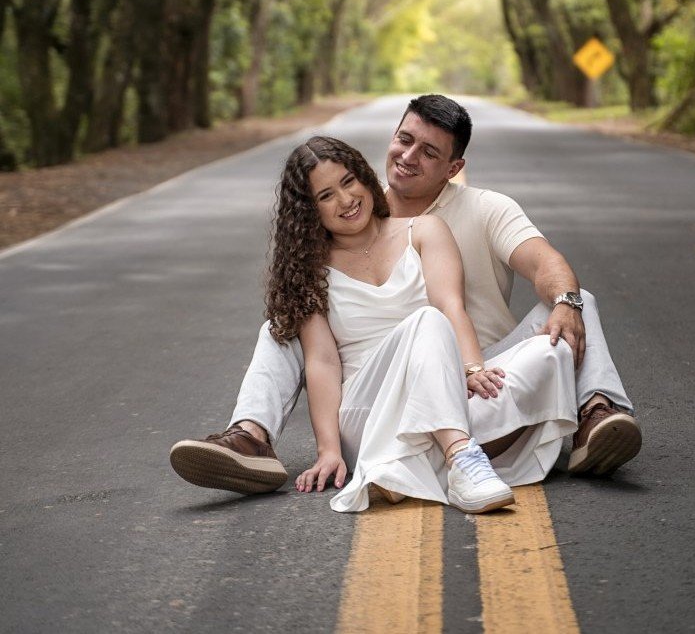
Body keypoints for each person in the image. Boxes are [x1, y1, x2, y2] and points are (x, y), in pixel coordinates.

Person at [169, 95, 641, 496]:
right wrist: (329, 447)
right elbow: (324, 359)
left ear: (454, 168)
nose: (409, 157)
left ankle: (594, 414)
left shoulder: (479, 210)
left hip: (478, 371)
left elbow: (538, 266)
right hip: (380, 389)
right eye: (404, 139)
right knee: (281, 324)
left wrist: (559, 305)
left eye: (429, 152)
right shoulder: (350, 213)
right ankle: (250, 436)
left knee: (576, 302)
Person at [257, 137, 577, 512]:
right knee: (427, 320)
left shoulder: (424, 230)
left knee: (551, 349)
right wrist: (329, 450)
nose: (345, 200)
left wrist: (472, 369)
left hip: (438, 395)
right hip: (368, 412)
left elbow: (451, 305)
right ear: (310, 211)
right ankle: (461, 459)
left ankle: (409, 465)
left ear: (364, 177)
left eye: (348, 182)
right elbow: (322, 362)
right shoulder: (309, 269)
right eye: (326, 196)